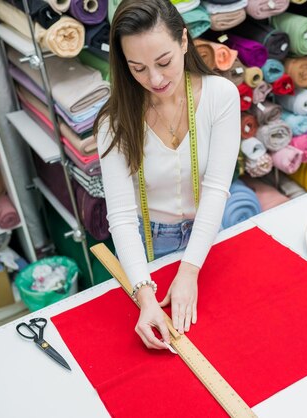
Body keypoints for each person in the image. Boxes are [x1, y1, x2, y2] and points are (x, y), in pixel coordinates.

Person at [94, 0, 240, 350]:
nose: (155, 79)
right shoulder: (113, 122)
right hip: (149, 242)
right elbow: (123, 216)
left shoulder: (221, 96)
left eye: (164, 62)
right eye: (138, 68)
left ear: (184, 42)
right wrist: (145, 297)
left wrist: (189, 270)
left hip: (209, 233)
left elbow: (217, 188)